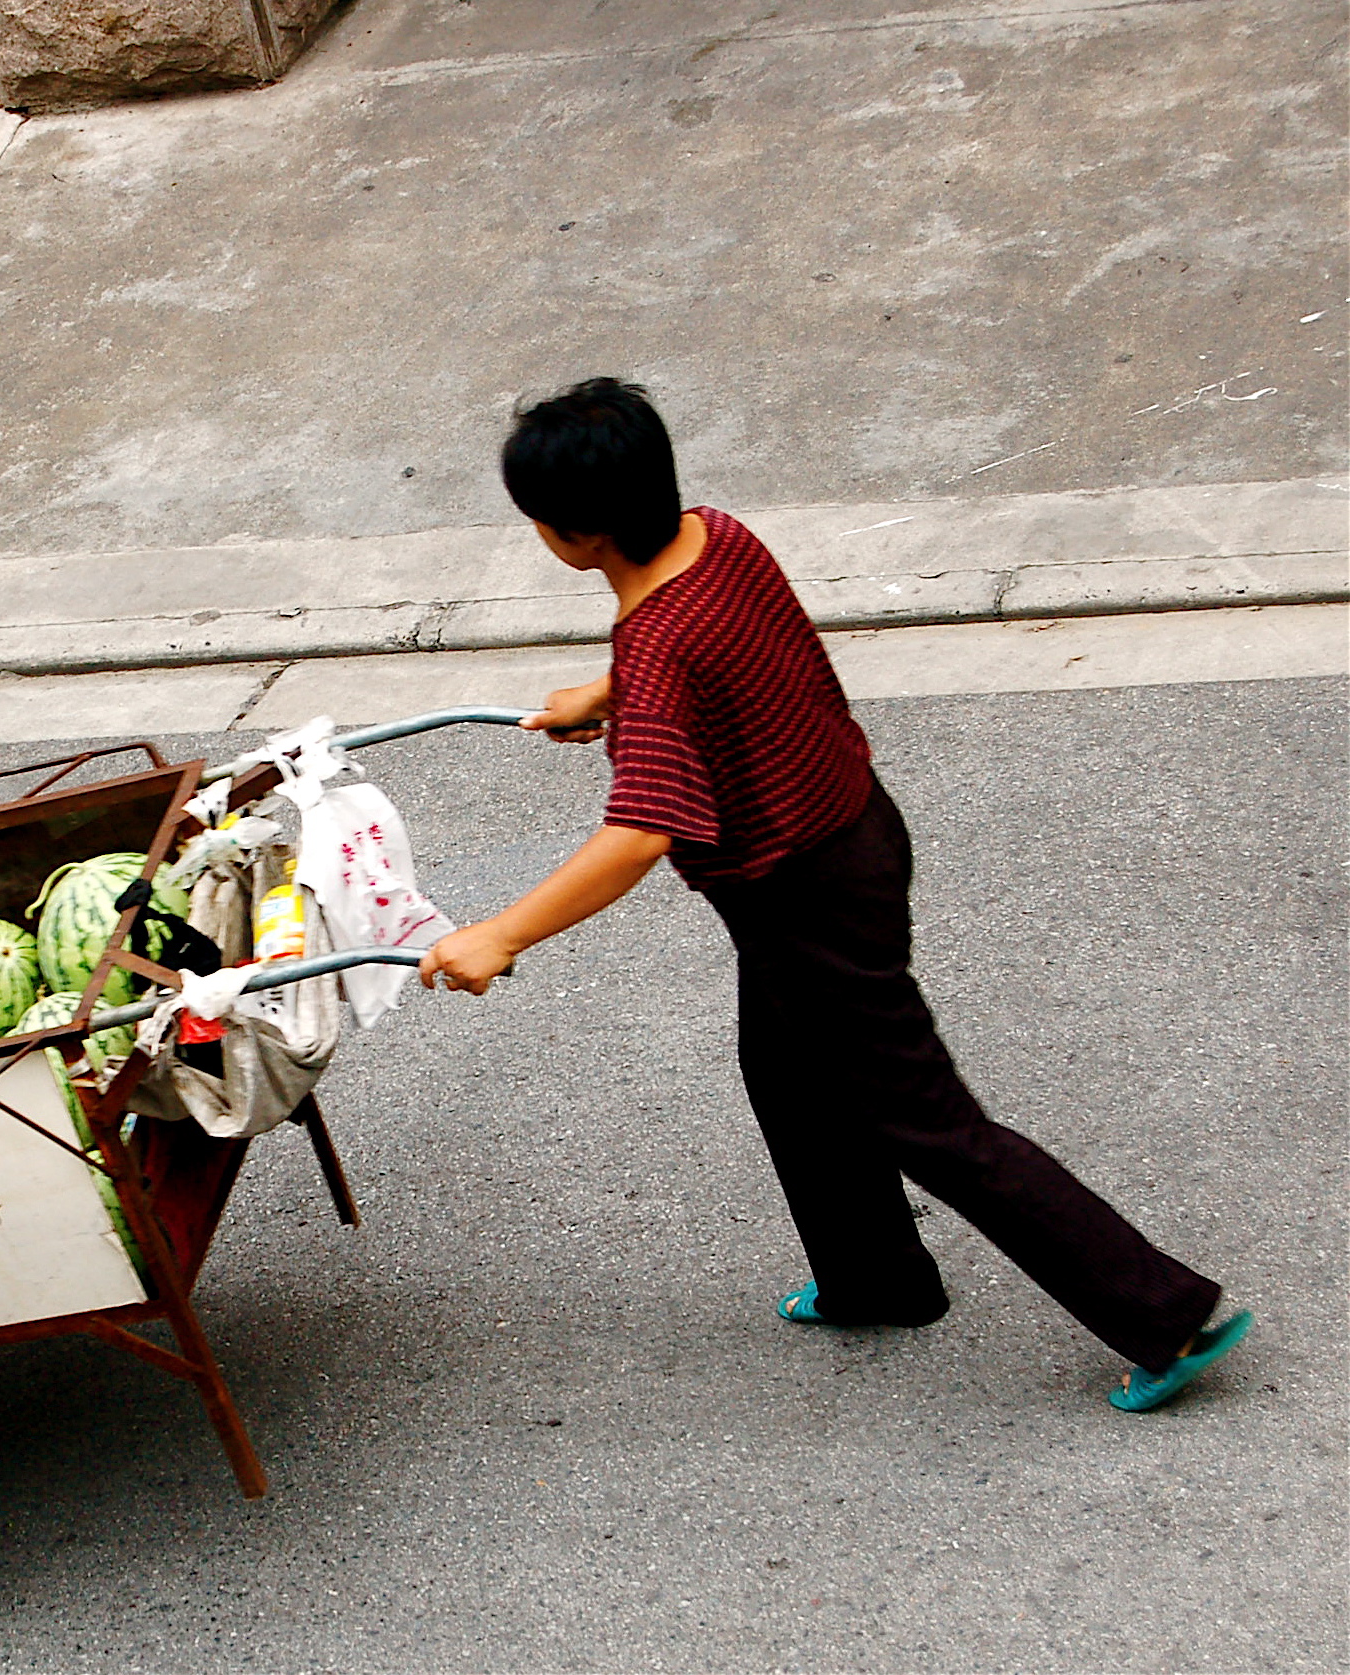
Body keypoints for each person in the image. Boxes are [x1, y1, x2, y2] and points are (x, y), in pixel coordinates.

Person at [417, 377, 1250, 1413]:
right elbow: (720, 653)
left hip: (800, 897)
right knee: (788, 1075)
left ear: (574, 534)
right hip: (850, 829)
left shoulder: (656, 642)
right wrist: (607, 691)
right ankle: (874, 1280)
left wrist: (498, 933)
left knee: (931, 1125)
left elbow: (636, 833)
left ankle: (1167, 1313)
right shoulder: (713, 536)